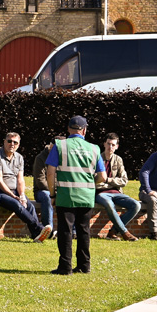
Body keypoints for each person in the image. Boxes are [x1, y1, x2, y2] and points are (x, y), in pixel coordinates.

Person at [46, 115, 106, 275]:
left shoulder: (59, 145)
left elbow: (50, 173)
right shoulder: (94, 148)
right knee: (84, 231)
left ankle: (65, 267)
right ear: (84, 130)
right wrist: (89, 184)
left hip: (66, 196)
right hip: (86, 196)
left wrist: (52, 194)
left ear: (68, 129)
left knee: (65, 231)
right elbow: (103, 176)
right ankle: (84, 266)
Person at [0, 132, 51, 242]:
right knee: (17, 205)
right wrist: (13, 196)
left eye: (15, 142)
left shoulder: (19, 157)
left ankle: (36, 234)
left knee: (29, 206)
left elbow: (20, 179)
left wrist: (21, 195)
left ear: (18, 144)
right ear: (4, 142)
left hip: (15, 191)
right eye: (9, 141)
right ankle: (38, 228)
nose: (12, 144)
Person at [93, 133, 140, 242]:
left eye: (113, 145)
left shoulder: (118, 160)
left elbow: (124, 180)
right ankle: (125, 233)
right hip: (101, 193)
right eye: (108, 144)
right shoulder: (96, 159)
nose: (110, 147)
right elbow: (94, 180)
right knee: (109, 204)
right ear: (104, 144)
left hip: (117, 192)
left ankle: (113, 232)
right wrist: (113, 182)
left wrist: (108, 180)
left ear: (117, 146)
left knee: (136, 205)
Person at [31, 138, 56, 232]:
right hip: (41, 191)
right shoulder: (40, 158)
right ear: (51, 145)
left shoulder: (64, 158)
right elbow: (40, 181)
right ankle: (47, 229)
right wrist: (53, 192)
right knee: (47, 197)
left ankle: (73, 231)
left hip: (57, 190)